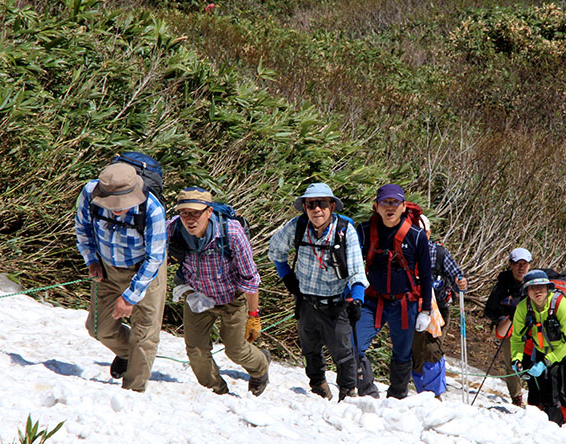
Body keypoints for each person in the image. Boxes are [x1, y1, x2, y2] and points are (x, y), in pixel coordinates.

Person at [268, 183, 369, 401]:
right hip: (306, 303)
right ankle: (318, 388)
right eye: (311, 204)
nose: (316, 210)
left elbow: (356, 270)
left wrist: (357, 298)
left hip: (336, 305)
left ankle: (347, 394)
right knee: (310, 349)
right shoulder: (297, 226)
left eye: (322, 204)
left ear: (332, 206)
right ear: (305, 207)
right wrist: (286, 277)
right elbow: (275, 250)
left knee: (343, 355)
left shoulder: (344, 231)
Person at [75, 162, 168, 393]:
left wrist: (129, 297)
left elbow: (154, 259)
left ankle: (132, 392)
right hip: (106, 266)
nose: (117, 208)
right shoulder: (89, 193)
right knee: (99, 328)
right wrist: (91, 260)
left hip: (144, 270)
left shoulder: (153, 210)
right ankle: (128, 354)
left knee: (144, 335)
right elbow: (83, 228)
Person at [167, 187, 269, 396]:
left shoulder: (231, 233)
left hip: (232, 299)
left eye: (196, 213)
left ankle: (260, 368)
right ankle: (217, 392)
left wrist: (253, 316)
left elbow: (250, 277)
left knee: (236, 350)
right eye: (184, 213)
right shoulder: (173, 229)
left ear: (209, 212)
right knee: (195, 350)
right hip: (198, 297)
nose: (190, 219)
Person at [354, 184, 433, 399]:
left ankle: (398, 395)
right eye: (385, 202)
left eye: (395, 202)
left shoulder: (417, 236)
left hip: (404, 304)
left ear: (403, 206)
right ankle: (367, 391)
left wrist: (426, 310)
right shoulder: (363, 231)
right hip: (373, 301)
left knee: (402, 353)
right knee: (355, 345)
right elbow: (350, 263)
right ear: (376, 207)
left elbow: (426, 275)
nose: (390, 207)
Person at [510, 270, 566, 426]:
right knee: (547, 395)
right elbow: (517, 338)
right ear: (527, 291)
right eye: (533, 288)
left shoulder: (561, 304)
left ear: (548, 288)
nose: (538, 291)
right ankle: (555, 425)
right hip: (542, 351)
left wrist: (547, 361)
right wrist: (516, 359)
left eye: (542, 287)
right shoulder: (523, 308)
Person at [411, 214, 467, 397]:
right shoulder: (406, 251)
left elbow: (456, 273)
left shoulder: (439, 252)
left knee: (433, 350)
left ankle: (435, 394)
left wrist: (461, 282)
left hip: (438, 310)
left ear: (429, 233)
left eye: (422, 231)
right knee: (416, 353)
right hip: (413, 308)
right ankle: (421, 392)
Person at [483, 247, 531, 407]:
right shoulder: (503, 284)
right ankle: (517, 397)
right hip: (509, 330)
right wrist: (504, 319)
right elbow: (490, 310)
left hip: (532, 329)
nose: (521, 268)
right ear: (511, 264)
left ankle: (536, 398)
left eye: (525, 264)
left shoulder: (534, 284)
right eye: (518, 263)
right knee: (512, 364)